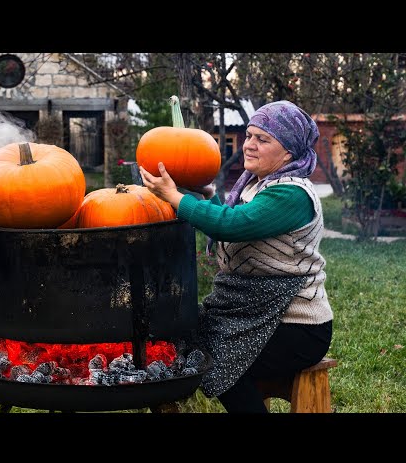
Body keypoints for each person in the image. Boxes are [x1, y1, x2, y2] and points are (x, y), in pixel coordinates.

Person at [139, 100, 333, 413]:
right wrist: (207, 194)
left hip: (296, 326)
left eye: (263, 139)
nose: (249, 145)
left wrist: (174, 197)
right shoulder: (257, 185)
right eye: (249, 136)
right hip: (250, 313)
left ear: (289, 152)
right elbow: (232, 217)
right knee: (181, 339)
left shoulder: (292, 194)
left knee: (216, 362)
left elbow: (232, 225)